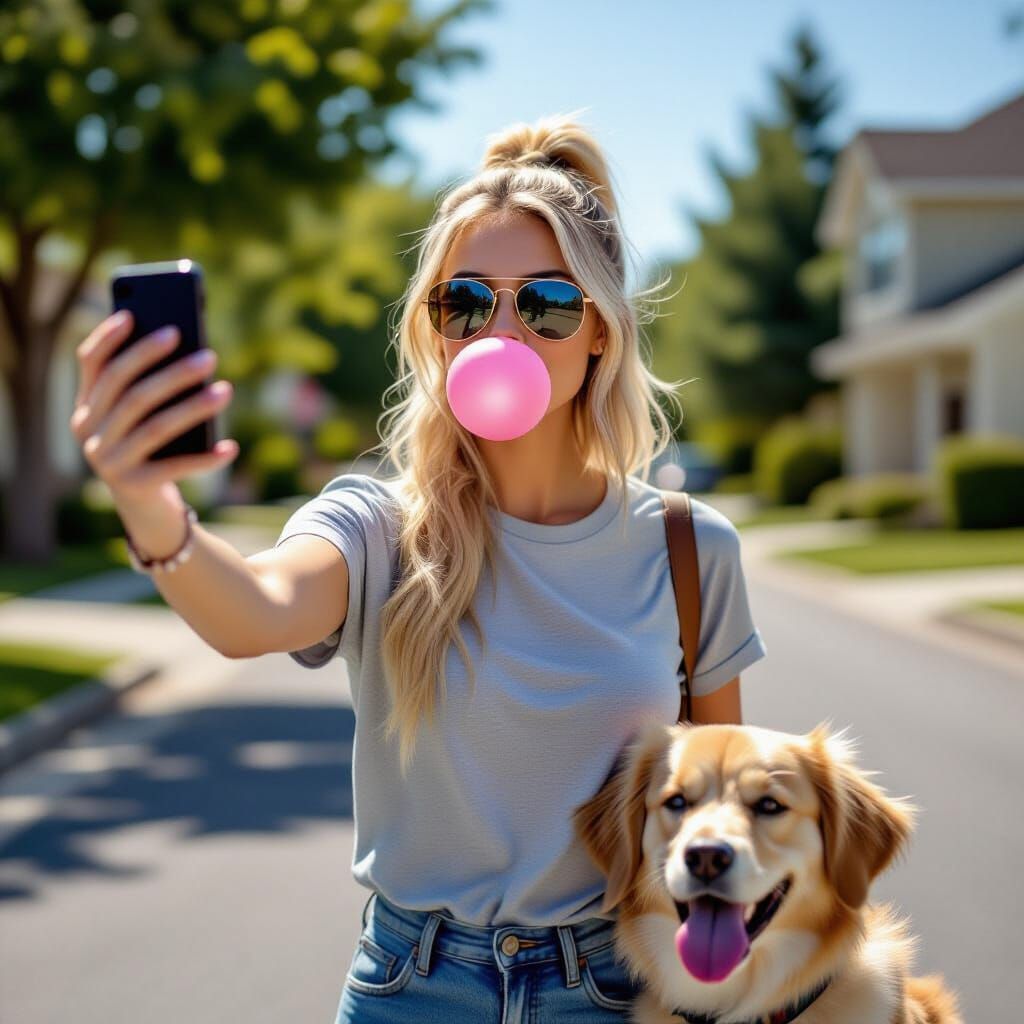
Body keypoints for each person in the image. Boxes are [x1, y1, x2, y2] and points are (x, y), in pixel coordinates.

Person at [71, 111, 767, 1022]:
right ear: (435, 330)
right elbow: (253, 611)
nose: (502, 333)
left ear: (600, 328)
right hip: (414, 988)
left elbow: (724, 817)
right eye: (466, 302)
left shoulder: (690, 548)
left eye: (547, 304)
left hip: (619, 988)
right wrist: (146, 503)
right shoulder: (377, 527)